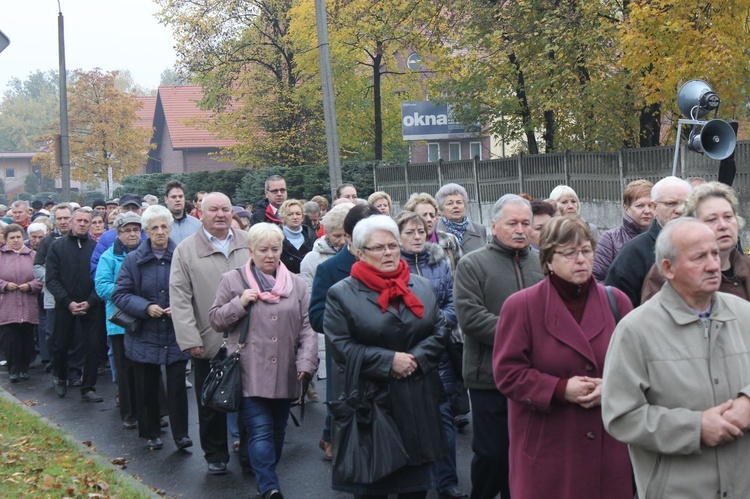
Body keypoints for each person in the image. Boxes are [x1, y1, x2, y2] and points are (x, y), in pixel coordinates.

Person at [601, 217, 750, 498]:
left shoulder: (744, 314)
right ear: (667, 268)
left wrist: (748, 401)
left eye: (715, 254)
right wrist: (695, 428)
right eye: (699, 257)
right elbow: (620, 416)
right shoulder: (636, 330)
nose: (713, 265)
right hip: (679, 489)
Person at [492, 215, 633, 499]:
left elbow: (639, 367)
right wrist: (559, 389)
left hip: (609, 443)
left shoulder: (616, 301)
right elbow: (508, 375)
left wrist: (612, 386)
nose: (580, 259)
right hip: (550, 445)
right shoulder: (521, 306)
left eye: (586, 251)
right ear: (548, 259)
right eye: (569, 253)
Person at [324, 215, 449, 498]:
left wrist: (415, 358)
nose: (389, 253)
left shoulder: (420, 286)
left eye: (392, 245)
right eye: (378, 248)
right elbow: (341, 347)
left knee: (415, 488)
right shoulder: (341, 295)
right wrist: (389, 360)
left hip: (418, 400)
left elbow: (440, 329)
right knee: (374, 488)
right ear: (358, 252)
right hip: (373, 406)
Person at [209, 223, 318, 499]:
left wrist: (306, 362)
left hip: (287, 370)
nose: (270, 255)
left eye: (275, 249)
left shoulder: (297, 284)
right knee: (259, 430)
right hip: (249, 370)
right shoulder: (233, 280)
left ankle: (267, 475)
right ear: (251, 251)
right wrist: (239, 303)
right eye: (263, 250)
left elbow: (307, 328)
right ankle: (269, 486)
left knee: (278, 431)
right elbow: (215, 319)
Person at [453, 194, 545, 499]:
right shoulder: (472, 264)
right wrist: (526, 337)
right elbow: (471, 318)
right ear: (493, 226)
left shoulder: (542, 262)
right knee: (492, 455)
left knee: (526, 457)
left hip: (535, 377)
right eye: (512, 223)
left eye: (526, 223)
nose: (520, 230)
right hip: (488, 377)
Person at [170, 192, 250, 475]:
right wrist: (190, 339)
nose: (220, 214)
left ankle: (250, 455)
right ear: (200, 214)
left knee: (251, 401)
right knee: (211, 401)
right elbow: (179, 298)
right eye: (213, 209)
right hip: (209, 338)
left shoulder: (248, 242)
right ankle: (215, 454)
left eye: (225, 209)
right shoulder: (186, 250)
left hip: (249, 338)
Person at [396, 211, 468, 499]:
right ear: (398, 236)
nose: (417, 237)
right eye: (410, 233)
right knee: (409, 424)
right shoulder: (393, 264)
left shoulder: (439, 262)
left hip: (438, 352)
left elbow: (453, 301)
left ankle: (447, 481)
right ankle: (413, 483)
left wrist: (437, 327)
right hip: (406, 354)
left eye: (421, 231)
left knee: (444, 420)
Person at [113, 205, 192, 451]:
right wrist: (146, 307)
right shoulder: (133, 259)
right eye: (154, 228)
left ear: (170, 228)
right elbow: (120, 294)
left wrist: (177, 307)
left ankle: (181, 435)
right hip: (144, 332)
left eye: (164, 227)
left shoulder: (181, 255)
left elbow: (192, 289)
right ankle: (150, 432)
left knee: (178, 386)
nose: (160, 232)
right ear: (146, 231)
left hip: (174, 330)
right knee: (146, 384)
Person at [309, 204, 380, 461]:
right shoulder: (329, 270)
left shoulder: (392, 264)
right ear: (349, 237)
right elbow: (317, 317)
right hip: (347, 358)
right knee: (347, 422)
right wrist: (355, 318)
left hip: (384, 357)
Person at [641, 181, 750, 302]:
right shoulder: (672, 270)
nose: (723, 225)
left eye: (728, 217)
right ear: (692, 224)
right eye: (712, 219)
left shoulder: (747, 266)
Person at [605, 176, 691, 307]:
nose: (679, 210)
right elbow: (618, 309)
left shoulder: (706, 247)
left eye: (685, 203)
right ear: (654, 207)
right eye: (671, 204)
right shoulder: (633, 253)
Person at [46, 208, 102, 402]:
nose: (83, 224)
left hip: (91, 304)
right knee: (60, 345)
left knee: (93, 346)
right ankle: (61, 377)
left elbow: (101, 278)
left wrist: (91, 301)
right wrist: (68, 302)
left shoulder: (96, 247)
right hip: (65, 304)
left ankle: (88, 387)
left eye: (87, 221)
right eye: (79, 220)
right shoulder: (57, 246)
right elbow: (51, 279)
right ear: (70, 222)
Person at [94, 212, 143, 430]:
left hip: (145, 319)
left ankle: (153, 411)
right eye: (127, 230)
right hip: (120, 322)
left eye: (136, 230)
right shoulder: (108, 257)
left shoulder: (146, 253)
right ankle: (129, 413)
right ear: (118, 233)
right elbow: (101, 286)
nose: (132, 234)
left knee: (146, 368)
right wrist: (128, 294)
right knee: (124, 370)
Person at [0, 224, 42, 382]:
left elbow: (41, 278)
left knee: (26, 338)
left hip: (28, 303)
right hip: (6, 304)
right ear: (6, 240)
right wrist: (4, 285)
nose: (16, 240)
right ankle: (13, 369)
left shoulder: (33, 255)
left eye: (18, 237)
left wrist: (30, 286)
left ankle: (24, 368)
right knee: (10, 339)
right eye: (12, 238)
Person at [592, 179, 653, 282]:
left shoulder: (663, 238)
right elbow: (596, 279)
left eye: (650, 205)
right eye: (640, 206)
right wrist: (617, 296)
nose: (647, 211)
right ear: (626, 207)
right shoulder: (610, 239)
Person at [301, 203, 352, 293]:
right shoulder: (311, 259)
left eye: (346, 236)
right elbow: (309, 293)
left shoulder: (359, 254)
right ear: (326, 233)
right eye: (337, 236)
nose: (343, 241)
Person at [404, 193, 462, 270]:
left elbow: (460, 274)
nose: (429, 219)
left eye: (432, 215)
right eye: (424, 215)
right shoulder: (403, 245)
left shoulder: (450, 240)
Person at [435, 183, 486, 255]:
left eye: (459, 202)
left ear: (464, 206)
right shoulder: (434, 231)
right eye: (450, 203)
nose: (455, 206)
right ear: (441, 210)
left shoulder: (479, 229)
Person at [278, 199, 316, 274]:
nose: (295, 217)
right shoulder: (276, 239)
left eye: (298, 214)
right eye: (290, 214)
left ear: (302, 218)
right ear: (283, 218)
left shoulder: (312, 238)